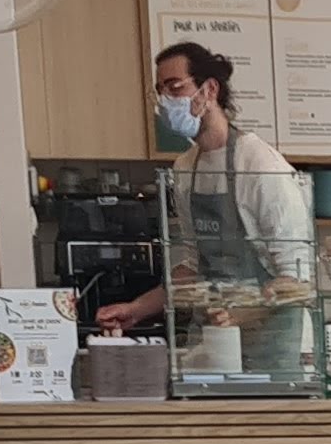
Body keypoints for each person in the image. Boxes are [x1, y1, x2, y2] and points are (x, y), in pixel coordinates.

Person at [92, 42, 313, 373]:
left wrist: (240, 312)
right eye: (160, 91)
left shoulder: (260, 165)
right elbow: (195, 267)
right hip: (213, 346)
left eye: (175, 88)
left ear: (209, 90)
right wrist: (136, 309)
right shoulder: (185, 168)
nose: (166, 101)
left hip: (273, 348)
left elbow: (297, 279)